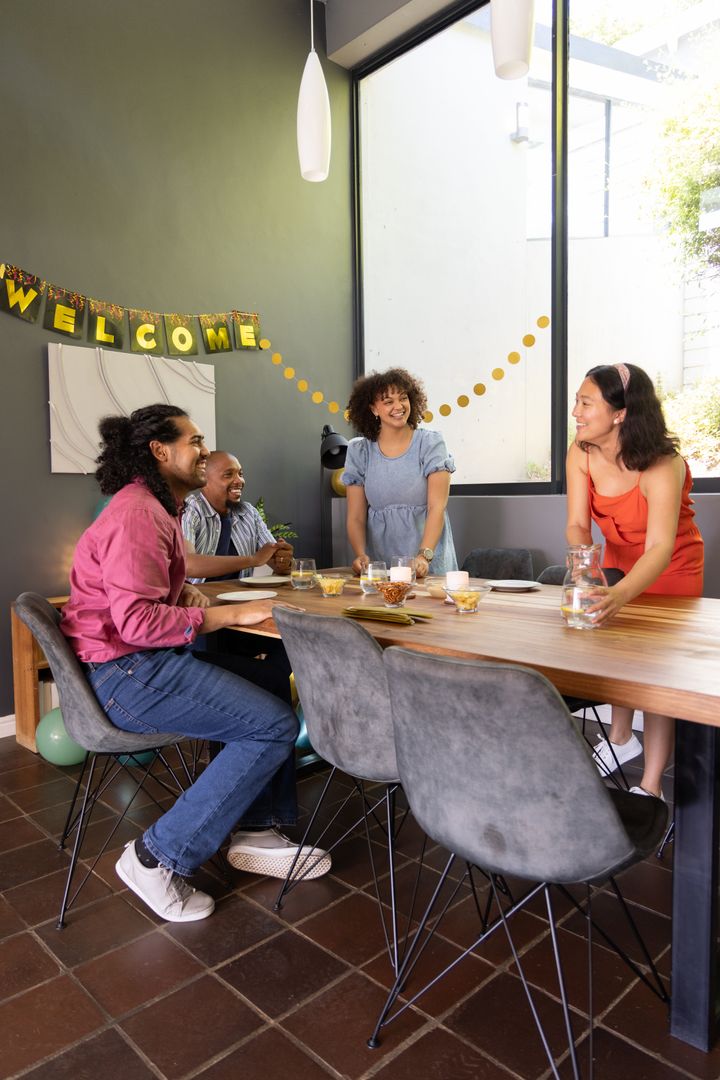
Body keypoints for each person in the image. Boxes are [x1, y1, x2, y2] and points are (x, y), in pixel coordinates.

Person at [61, 404, 330, 924]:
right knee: (273, 726)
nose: (205, 451)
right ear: (160, 451)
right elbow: (136, 623)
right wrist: (235, 611)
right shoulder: (139, 514)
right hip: (128, 675)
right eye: (196, 441)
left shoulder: (158, 507)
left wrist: (184, 592)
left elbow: (142, 587)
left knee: (271, 678)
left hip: (138, 664)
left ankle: (255, 830)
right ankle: (154, 857)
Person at [566, 362, 704, 798]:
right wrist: (584, 567)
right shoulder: (581, 451)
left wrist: (619, 594)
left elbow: (661, 547)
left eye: (586, 403)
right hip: (621, 561)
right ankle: (622, 740)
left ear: (621, 413)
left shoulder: (663, 465)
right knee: (617, 656)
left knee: (655, 676)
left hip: (672, 568)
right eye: (577, 401)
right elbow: (576, 523)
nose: (576, 411)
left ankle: (651, 786)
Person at [342, 368, 458, 579]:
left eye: (403, 398)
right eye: (388, 402)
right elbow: (356, 516)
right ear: (373, 409)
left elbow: (437, 507)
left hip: (428, 565)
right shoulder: (359, 451)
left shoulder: (430, 443)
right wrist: (360, 555)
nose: (398, 406)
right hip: (382, 568)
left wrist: (424, 556)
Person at [183, 451, 293, 583]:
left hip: (241, 597)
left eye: (240, 474)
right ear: (204, 481)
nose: (239, 480)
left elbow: (276, 563)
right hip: (198, 599)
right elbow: (187, 563)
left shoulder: (249, 513)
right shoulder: (189, 510)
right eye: (228, 475)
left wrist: (284, 561)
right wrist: (253, 560)